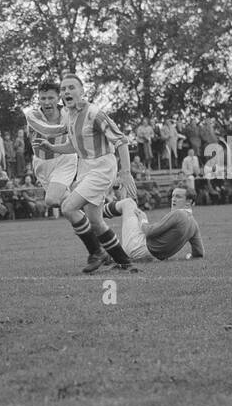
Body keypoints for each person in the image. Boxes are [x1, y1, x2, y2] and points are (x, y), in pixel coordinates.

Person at [30, 73, 139, 273]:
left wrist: (126, 172)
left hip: (102, 167)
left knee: (69, 207)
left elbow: (121, 140)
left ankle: (96, 252)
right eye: (63, 89)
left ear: (82, 91)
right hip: (86, 168)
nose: (66, 92)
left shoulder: (94, 113)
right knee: (95, 221)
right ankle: (125, 262)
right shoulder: (71, 116)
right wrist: (51, 147)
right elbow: (73, 145)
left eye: (71, 87)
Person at [102, 186, 204, 263]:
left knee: (128, 203)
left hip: (140, 249)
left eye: (178, 197)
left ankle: (96, 214)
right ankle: (110, 256)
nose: (173, 199)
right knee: (130, 207)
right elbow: (199, 252)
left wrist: (143, 219)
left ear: (188, 202)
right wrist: (190, 256)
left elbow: (149, 232)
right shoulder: (194, 225)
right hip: (153, 257)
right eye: (172, 196)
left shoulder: (178, 214)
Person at [26, 81, 75, 219]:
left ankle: (87, 198)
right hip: (41, 164)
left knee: (52, 200)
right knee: (68, 208)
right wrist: (67, 127)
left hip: (63, 160)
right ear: (38, 99)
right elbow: (47, 131)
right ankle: (93, 219)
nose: (46, 102)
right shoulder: (32, 115)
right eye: (43, 98)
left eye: (50, 98)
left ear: (58, 98)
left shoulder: (68, 113)